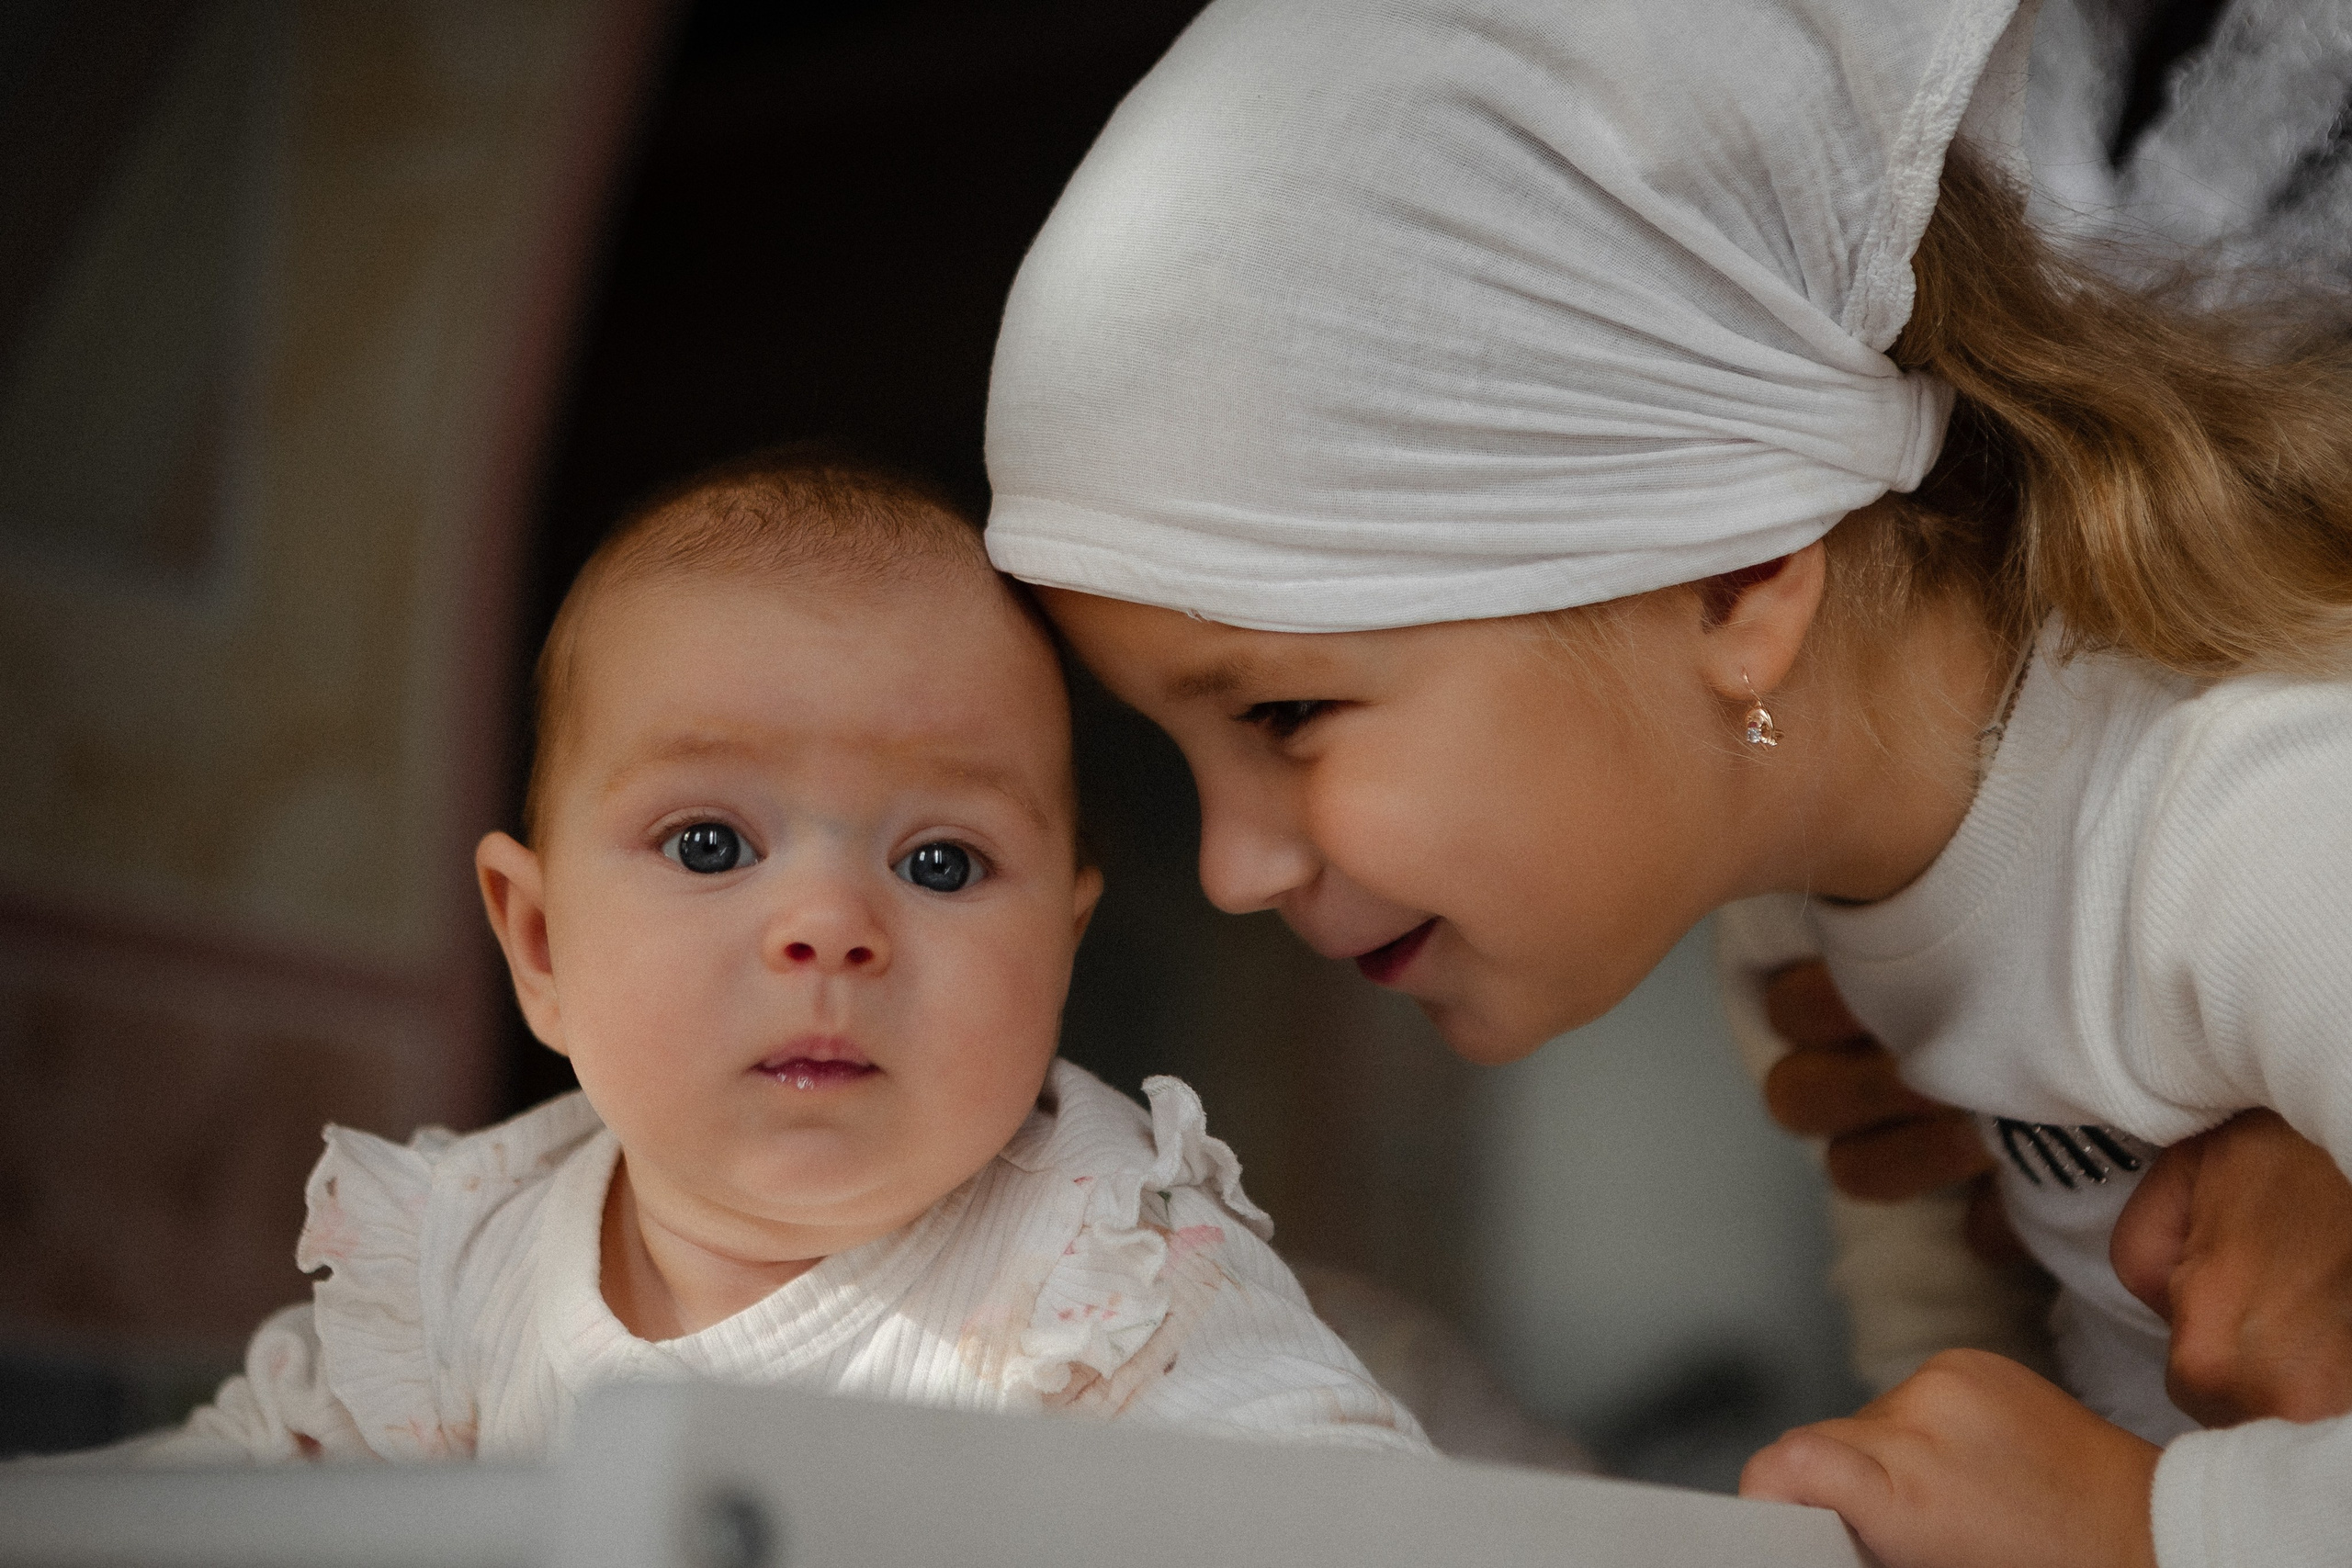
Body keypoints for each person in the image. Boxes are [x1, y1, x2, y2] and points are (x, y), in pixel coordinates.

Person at [977, 1, 2352, 1564]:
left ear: (1734, 582)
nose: (1231, 868)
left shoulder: (2264, 821)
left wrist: (2162, 1529)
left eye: (1286, 713)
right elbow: (1953, 1410)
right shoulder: (1804, 920)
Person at [76, 453, 1427, 1464]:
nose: (830, 926)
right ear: (539, 944)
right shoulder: (456, 1267)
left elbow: (1362, 1524)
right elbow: (187, 1516)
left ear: (1059, 955)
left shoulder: (1106, 1270)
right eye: (713, 844)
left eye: (940, 863)